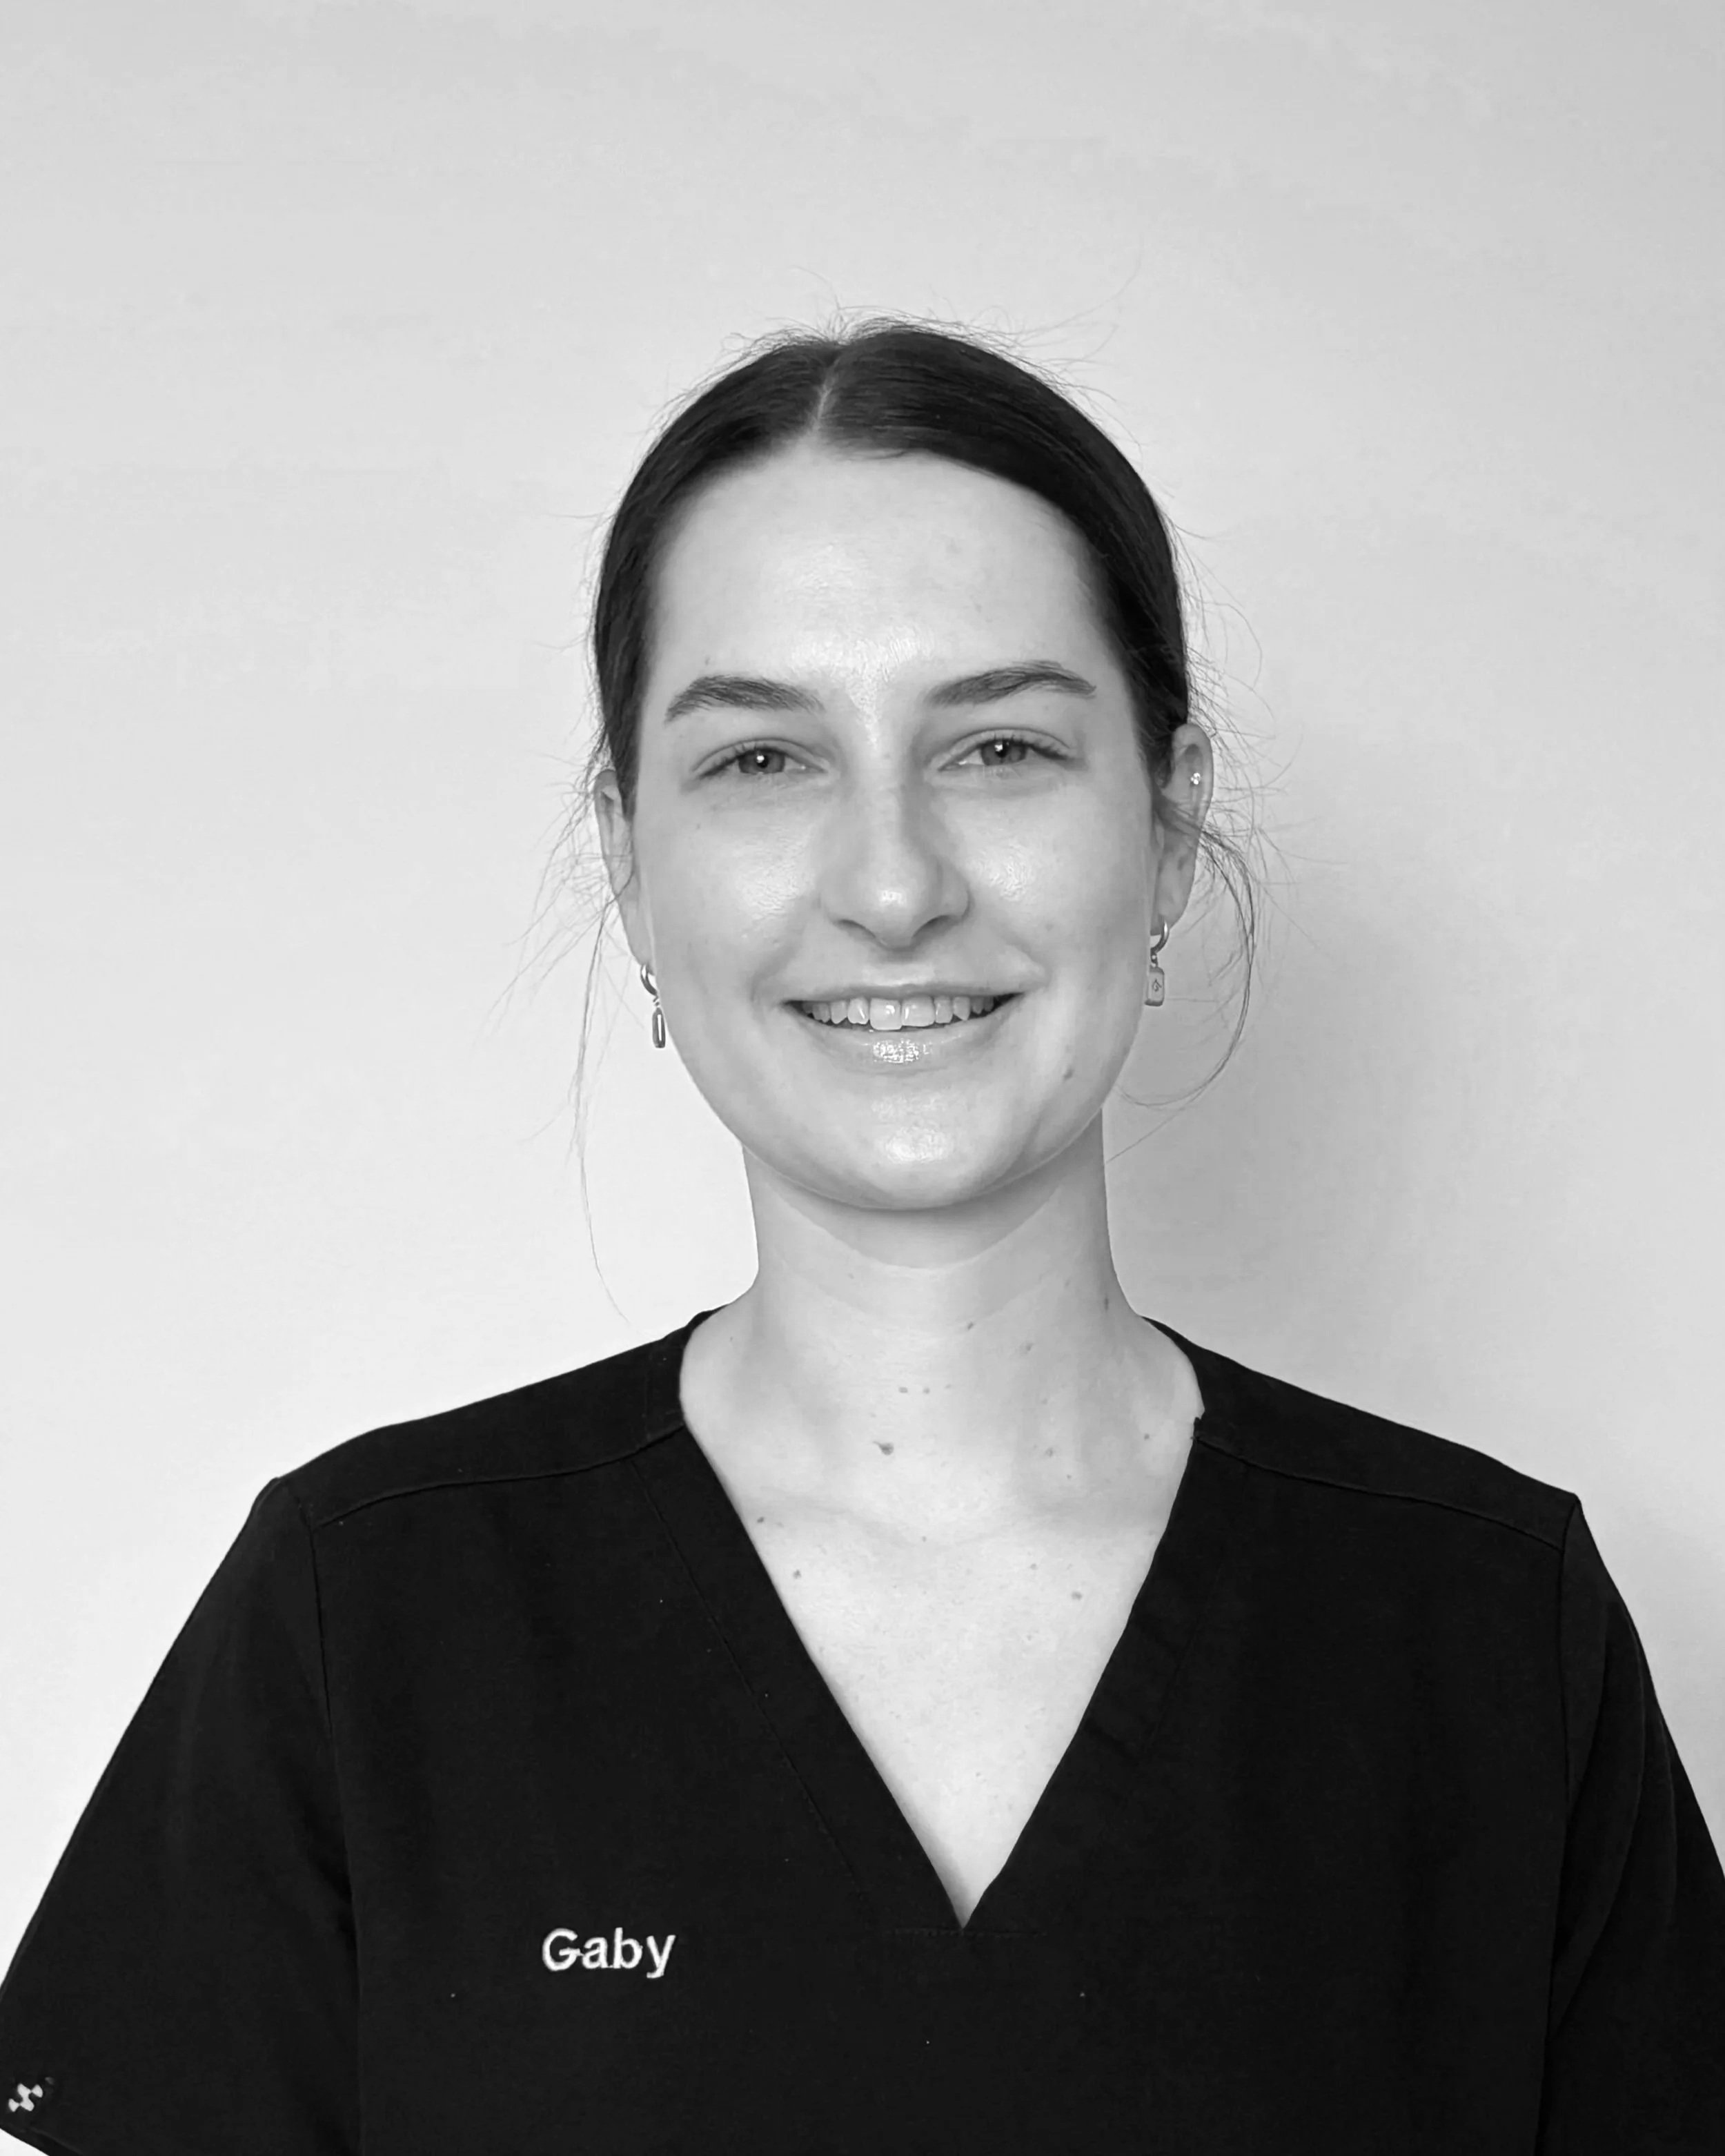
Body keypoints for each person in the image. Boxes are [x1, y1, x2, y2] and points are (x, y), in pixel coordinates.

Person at [1, 320, 1720, 2155]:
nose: (893, 882)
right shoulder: (367, 1620)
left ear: (1165, 816)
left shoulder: (1482, 1631)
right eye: (760, 760)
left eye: (995, 743)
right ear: (629, 861)